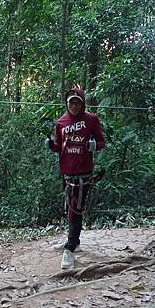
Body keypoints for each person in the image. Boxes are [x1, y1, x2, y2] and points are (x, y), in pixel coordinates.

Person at [46, 86, 105, 269]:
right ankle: (74, 241)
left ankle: (70, 249)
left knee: (76, 209)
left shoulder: (91, 120)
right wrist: (51, 145)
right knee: (69, 207)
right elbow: (59, 146)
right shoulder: (61, 123)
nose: (74, 106)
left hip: (83, 172)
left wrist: (94, 145)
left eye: (77, 102)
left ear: (82, 103)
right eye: (71, 102)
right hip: (66, 171)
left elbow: (101, 142)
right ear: (66, 103)